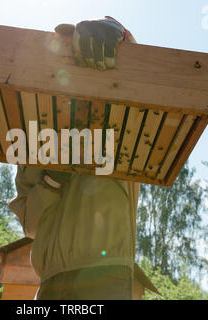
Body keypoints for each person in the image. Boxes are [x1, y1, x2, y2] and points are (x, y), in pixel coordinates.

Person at [9, 17, 141, 300]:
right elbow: (30, 226)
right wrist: (51, 182)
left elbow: (143, 81)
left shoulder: (122, 123)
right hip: (51, 281)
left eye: (77, 54)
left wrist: (120, 35)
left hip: (107, 275)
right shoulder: (34, 139)